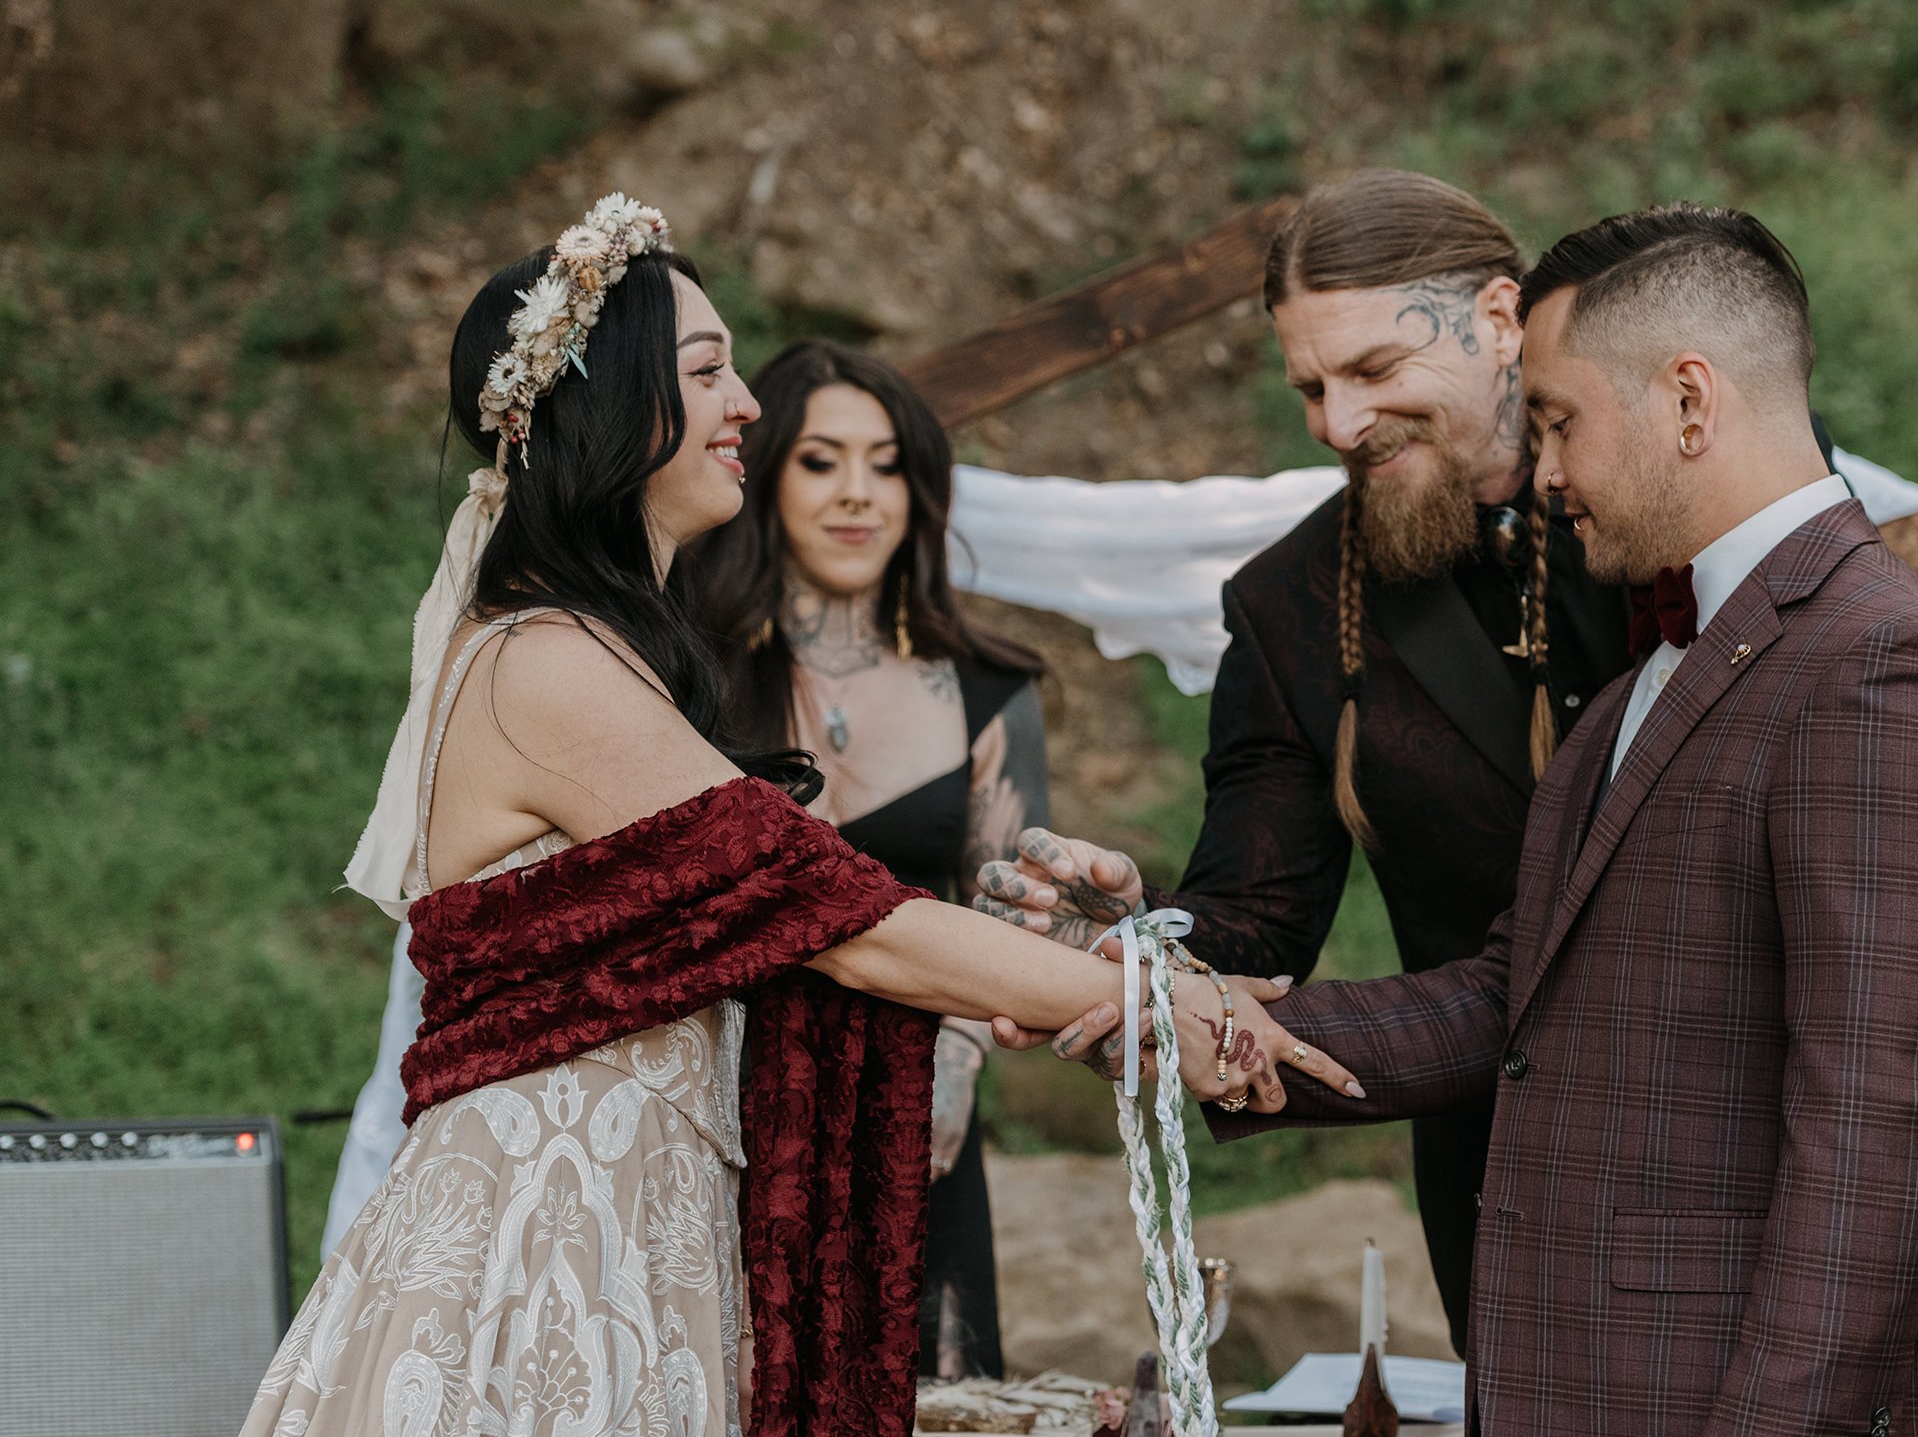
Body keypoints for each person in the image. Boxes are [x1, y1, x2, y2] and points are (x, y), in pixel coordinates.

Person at [243, 196, 1350, 1437]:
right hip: (540, 1257)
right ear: (613, 407)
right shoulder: (542, 665)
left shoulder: (608, 659)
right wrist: (1166, 1000)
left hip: (640, 1232)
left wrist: (1089, 958)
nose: (747, 407)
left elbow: (819, 926)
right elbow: (845, 921)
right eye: (709, 372)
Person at [973, 172, 1918, 1437]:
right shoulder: (1307, 604)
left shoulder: (1772, 583)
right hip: (1527, 1227)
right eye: (1308, 387)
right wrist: (1143, 962)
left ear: (1499, 322)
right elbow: (1460, 970)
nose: (1335, 422)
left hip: (1780, 1275)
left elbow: (1876, 1116)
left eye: (1371, 368)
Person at [673, 340, 1047, 1381]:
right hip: (722, 1116)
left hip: (922, 1106)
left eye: (886, 465)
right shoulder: (683, 681)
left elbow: (1008, 906)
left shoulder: (990, 690)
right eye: (821, 461)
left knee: (927, 1392)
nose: (858, 496)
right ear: (766, 468)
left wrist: (956, 1071)